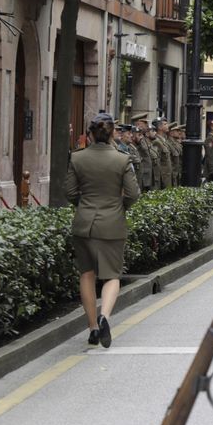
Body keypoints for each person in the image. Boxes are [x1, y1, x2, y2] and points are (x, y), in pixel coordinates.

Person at [65, 113, 140, 347]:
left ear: (90, 134)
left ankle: (92, 328)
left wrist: (84, 206)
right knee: (111, 276)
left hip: (84, 224)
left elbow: (69, 192)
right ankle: (105, 316)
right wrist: (119, 207)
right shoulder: (122, 160)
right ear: (112, 135)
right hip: (112, 223)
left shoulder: (77, 158)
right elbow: (133, 194)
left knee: (86, 275)